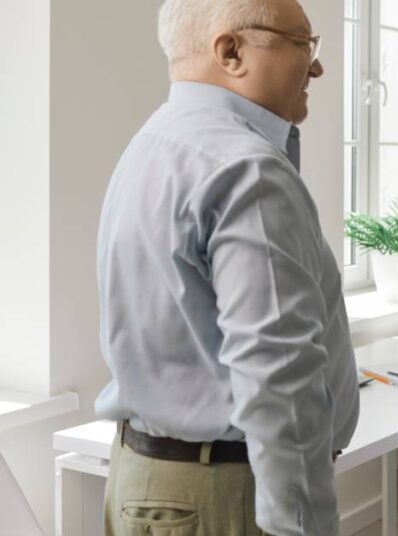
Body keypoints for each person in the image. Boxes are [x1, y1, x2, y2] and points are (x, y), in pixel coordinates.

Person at [95, 1, 359, 534]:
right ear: (231, 51)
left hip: (144, 482)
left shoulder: (153, 143)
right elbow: (278, 378)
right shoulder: (246, 168)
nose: (317, 66)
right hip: (222, 494)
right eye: (302, 44)